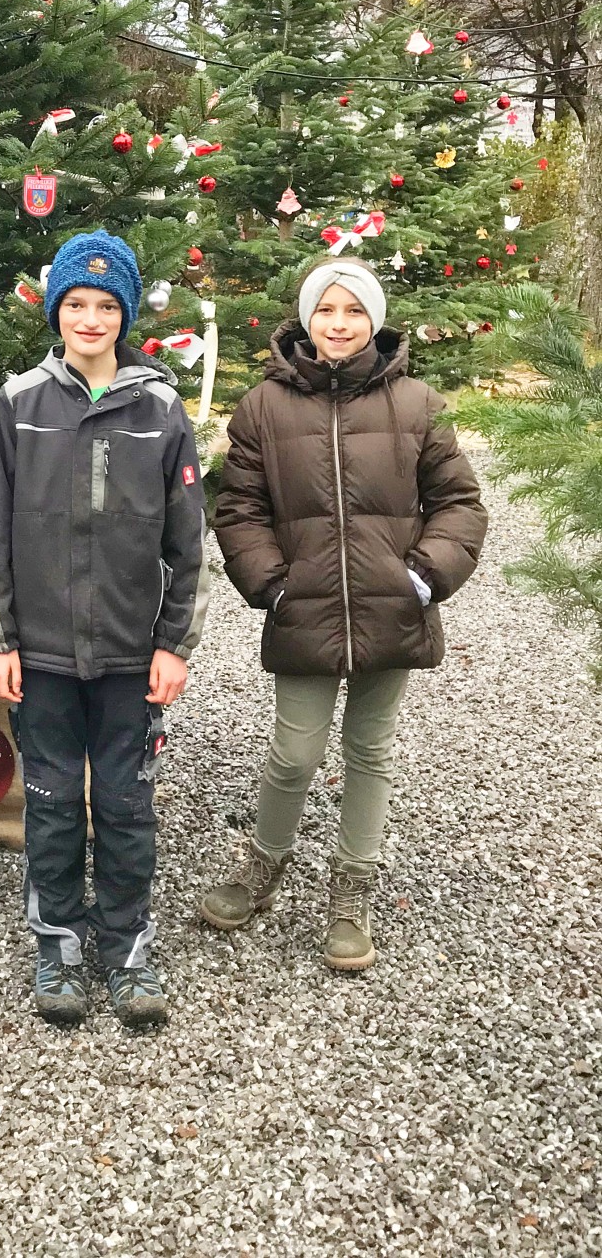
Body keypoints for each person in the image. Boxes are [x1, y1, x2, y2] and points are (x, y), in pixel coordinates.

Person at [205, 259, 487, 969]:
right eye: (326, 310)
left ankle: (351, 888)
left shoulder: (416, 404)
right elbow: (239, 509)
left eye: (354, 310)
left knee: (370, 751)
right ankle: (263, 864)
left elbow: (459, 503)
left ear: (374, 320)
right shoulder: (263, 408)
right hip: (304, 609)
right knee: (294, 752)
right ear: (307, 319)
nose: (339, 323)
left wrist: (422, 578)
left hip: (392, 610)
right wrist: (273, 586)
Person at [0, 230, 208, 1028]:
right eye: (75, 303)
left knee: (125, 804)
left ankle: (128, 947)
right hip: (40, 653)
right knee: (51, 805)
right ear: (56, 311)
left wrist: (173, 645)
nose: (90, 319)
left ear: (126, 316)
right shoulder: (19, 404)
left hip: (129, 657)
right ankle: (59, 947)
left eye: (107, 306)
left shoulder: (160, 408)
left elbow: (189, 541)